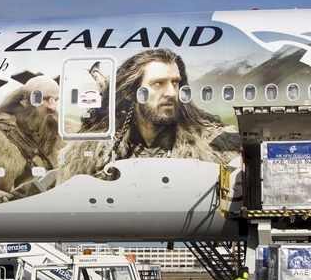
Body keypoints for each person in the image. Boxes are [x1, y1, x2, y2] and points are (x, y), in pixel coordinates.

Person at [58, 49, 239, 181]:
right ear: (130, 92)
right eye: (158, 83)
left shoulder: (213, 148)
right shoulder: (90, 152)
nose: (171, 93)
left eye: (175, 83)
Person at [0, 75, 62, 204]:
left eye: (55, 100)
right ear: (25, 101)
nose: (52, 107)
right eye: (46, 99)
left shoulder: (62, 132)